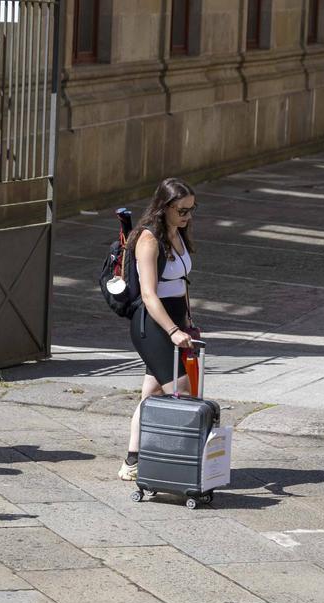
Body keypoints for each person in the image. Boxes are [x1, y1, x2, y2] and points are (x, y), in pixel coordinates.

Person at [118, 177, 197, 481]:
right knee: (183, 394)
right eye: (182, 211)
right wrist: (173, 331)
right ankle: (181, 460)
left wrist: (187, 320)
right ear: (164, 208)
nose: (187, 217)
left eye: (191, 210)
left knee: (151, 394)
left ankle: (132, 461)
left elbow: (181, 283)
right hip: (152, 325)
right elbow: (149, 295)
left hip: (174, 321)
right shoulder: (149, 239)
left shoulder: (178, 234)